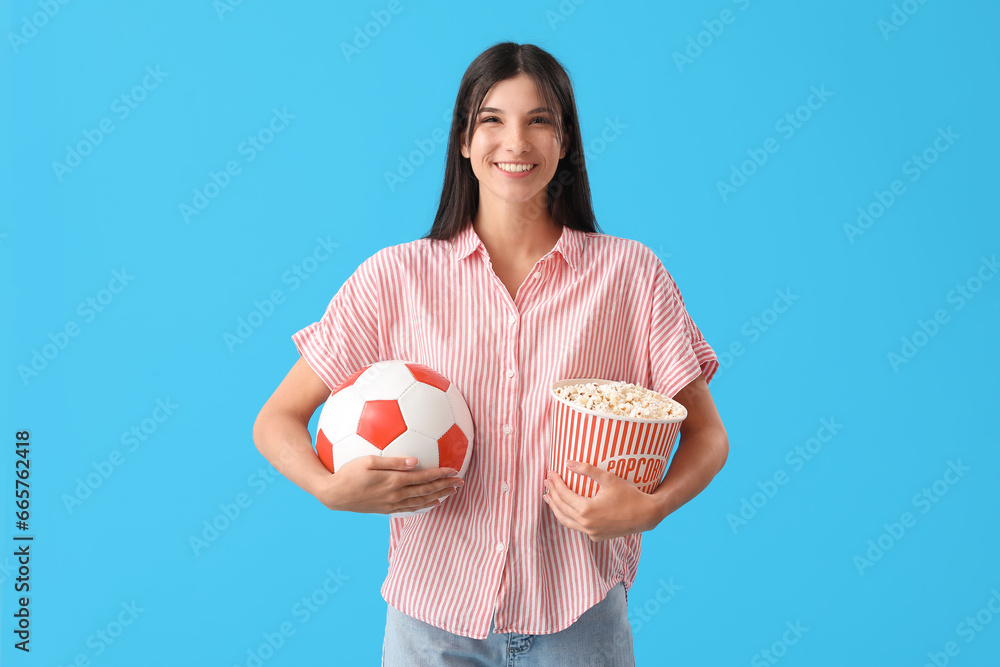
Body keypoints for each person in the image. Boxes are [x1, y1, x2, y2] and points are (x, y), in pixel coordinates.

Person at [253, 42, 728, 666]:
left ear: (565, 141)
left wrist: (653, 507)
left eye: (539, 120)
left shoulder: (631, 276)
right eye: (492, 120)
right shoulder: (394, 278)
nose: (516, 142)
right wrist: (327, 488)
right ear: (463, 139)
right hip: (432, 626)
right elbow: (276, 419)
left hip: (580, 620)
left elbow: (708, 435)